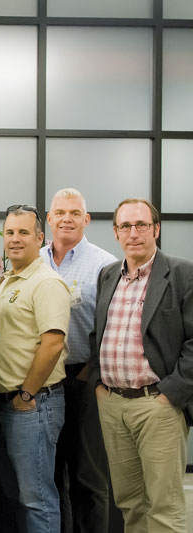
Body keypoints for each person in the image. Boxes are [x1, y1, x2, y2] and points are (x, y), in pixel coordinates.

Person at [90, 198, 193, 533]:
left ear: (156, 230)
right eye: (125, 226)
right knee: (130, 503)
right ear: (116, 232)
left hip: (157, 406)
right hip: (113, 404)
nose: (133, 233)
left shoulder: (181, 274)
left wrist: (170, 395)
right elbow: (98, 333)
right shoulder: (108, 275)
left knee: (164, 506)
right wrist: (99, 387)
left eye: (141, 225)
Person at [0, 204, 70, 533]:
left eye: (24, 232)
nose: (15, 239)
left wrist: (26, 393)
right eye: (10, 232)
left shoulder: (46, 282)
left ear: (40, 238)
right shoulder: (9, 279)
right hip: (5, 403)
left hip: (33, 405)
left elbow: (52, 343)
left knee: (37, 497)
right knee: (18, 496)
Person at [40, 189, 116, 533]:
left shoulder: (105, 264)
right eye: (60, 212)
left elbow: (113, 326)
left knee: (88, 476)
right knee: (49, 475)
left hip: (85, 378)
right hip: (42, 380)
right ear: (49, 219)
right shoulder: (33, 260)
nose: (67, 218)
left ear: (87, 220)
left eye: (75, 213)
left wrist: (90, 373)